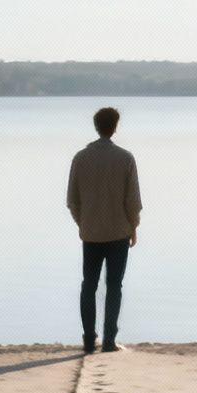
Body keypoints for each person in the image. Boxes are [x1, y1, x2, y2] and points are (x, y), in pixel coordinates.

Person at [67, 107, 142, 352]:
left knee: (88, 284)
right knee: (114, 285)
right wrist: (133, 226)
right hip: (119, 232)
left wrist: (82, 223)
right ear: (115, 126)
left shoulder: (80, 158)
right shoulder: (125, 158)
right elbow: (132, 200)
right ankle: (109, 340)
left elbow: (72, 200)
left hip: (91, 233)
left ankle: (89, 339)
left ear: (96, 126)